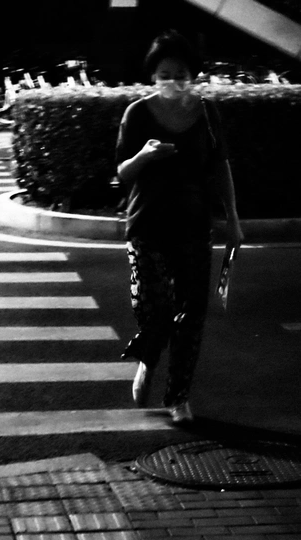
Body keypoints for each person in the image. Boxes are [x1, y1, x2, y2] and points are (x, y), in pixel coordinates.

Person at [116, 30, 244, 424]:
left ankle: (178, 397)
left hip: (193, 226)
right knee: (153, 307)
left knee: (191, 314)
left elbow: (220, 165)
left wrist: (233, 219)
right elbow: (122, 173)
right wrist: (145, 155)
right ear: (153, 76)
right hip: (147, 224)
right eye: (164, 74)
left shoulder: (206, 112)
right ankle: (148, 356)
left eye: (180, 74)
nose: (173, 81)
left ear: (193, 75)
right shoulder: (137, 114)